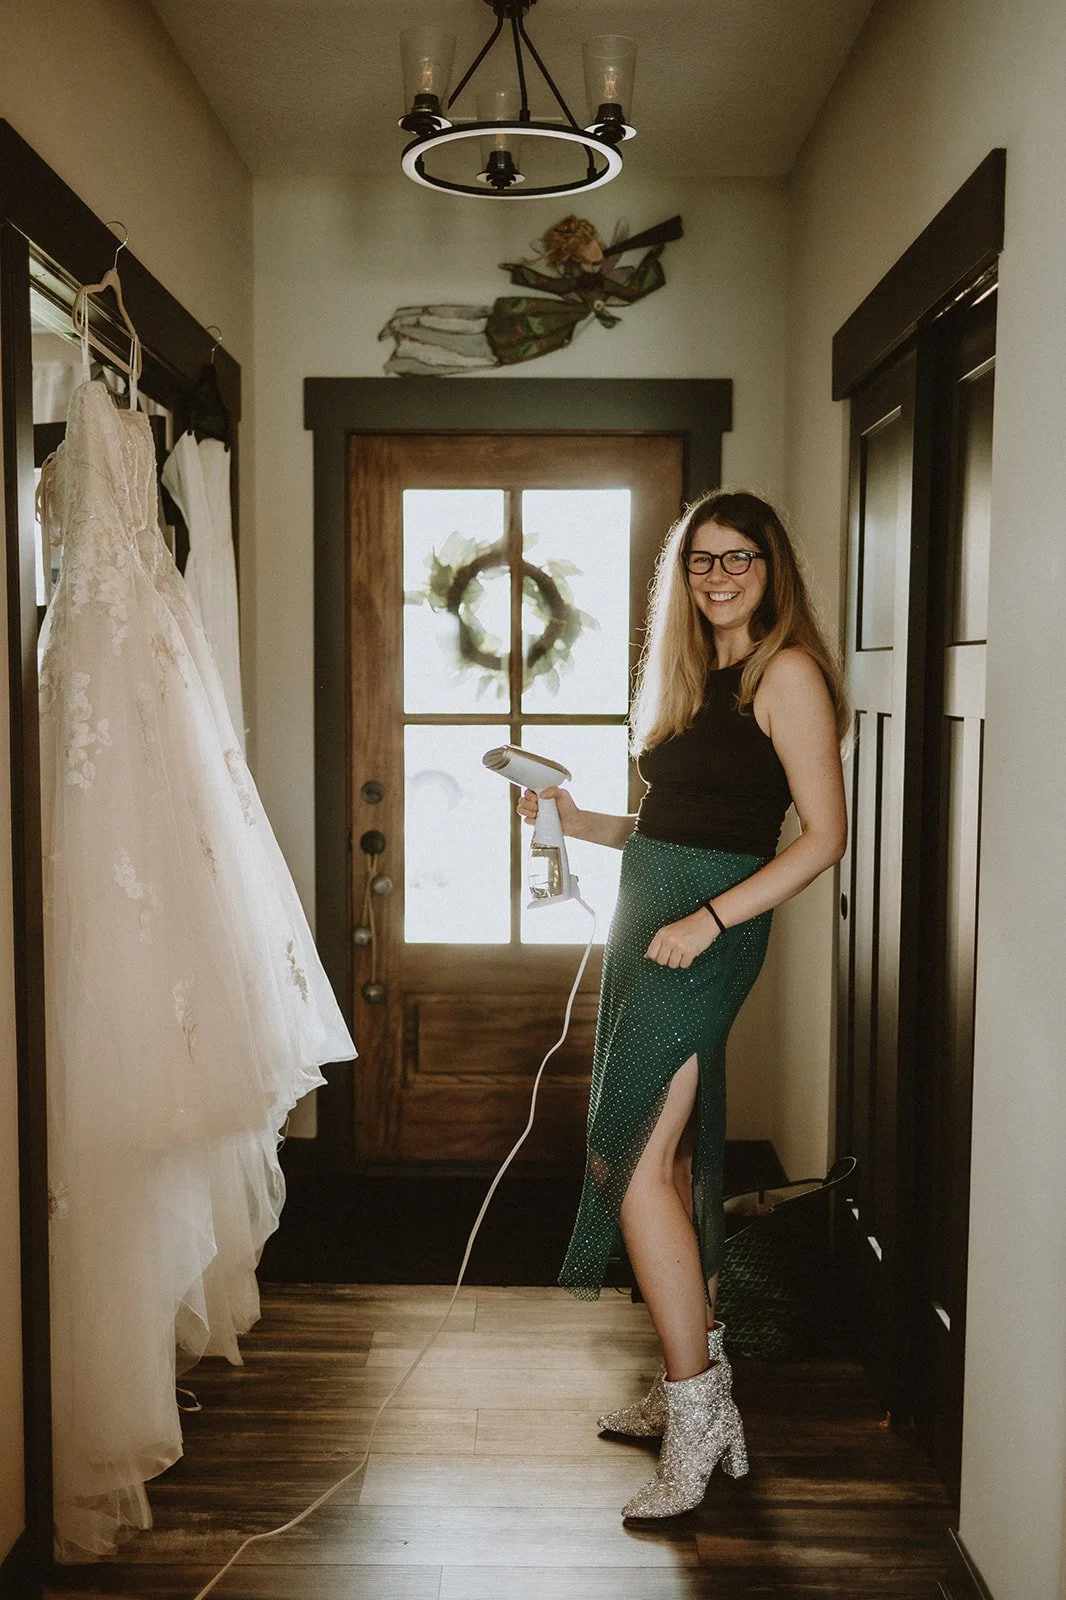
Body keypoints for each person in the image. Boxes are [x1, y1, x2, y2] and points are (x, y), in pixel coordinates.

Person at [518, 489, 848, 1519]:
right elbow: (679, 819)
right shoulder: (691, 671)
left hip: (703, 934)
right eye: (700, 560)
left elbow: (821, 836)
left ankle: (700, 1416)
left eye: (737, 557)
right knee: (661, 1153)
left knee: (633, 1158)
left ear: (770, 564)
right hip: (648, 918)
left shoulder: (783, 670)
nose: (717, 576)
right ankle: (694, 1383)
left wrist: (709, 919)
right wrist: (578, 819)